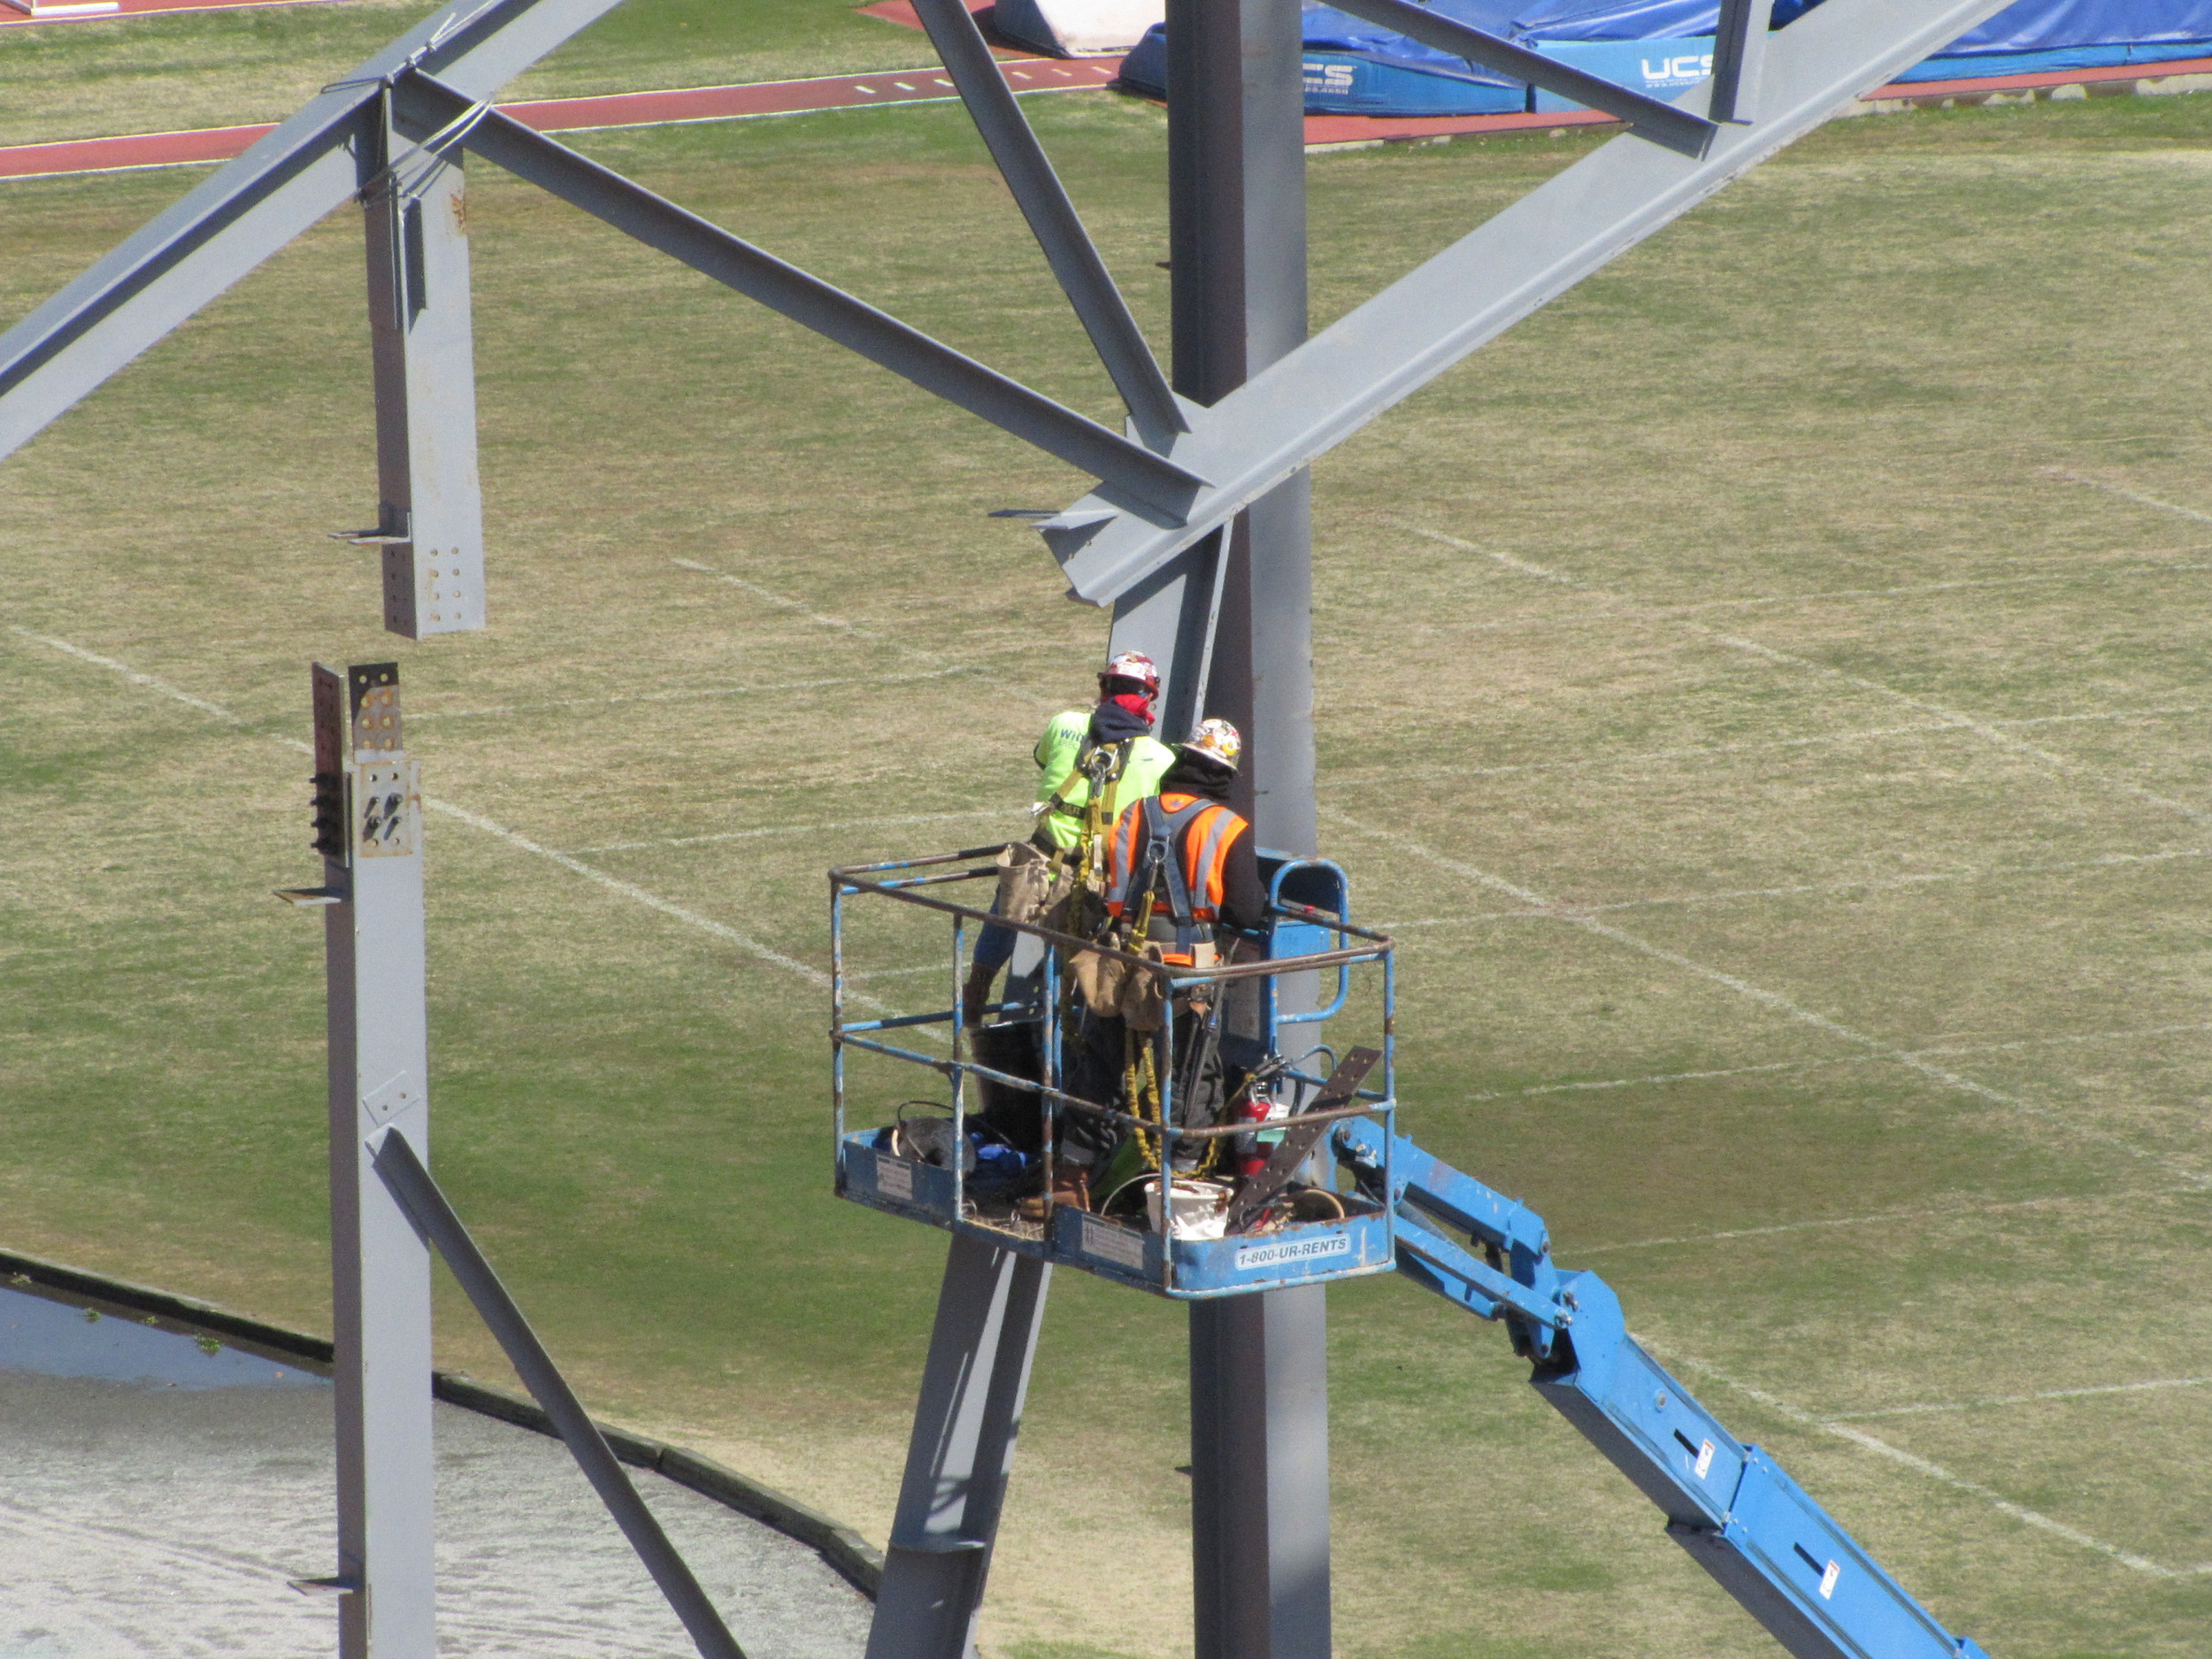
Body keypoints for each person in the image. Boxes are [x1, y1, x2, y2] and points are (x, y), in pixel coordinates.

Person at [961, 650, 1177, 1024]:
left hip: (1040, 861)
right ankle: (1066, 1024)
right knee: (1078, 956)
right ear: (1148, 697)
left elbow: (1046, 761)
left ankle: (976, 992)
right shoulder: (1160, 759)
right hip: (1096, 880)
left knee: (1004, 917)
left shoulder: (1063, 723)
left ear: (1104, 686)